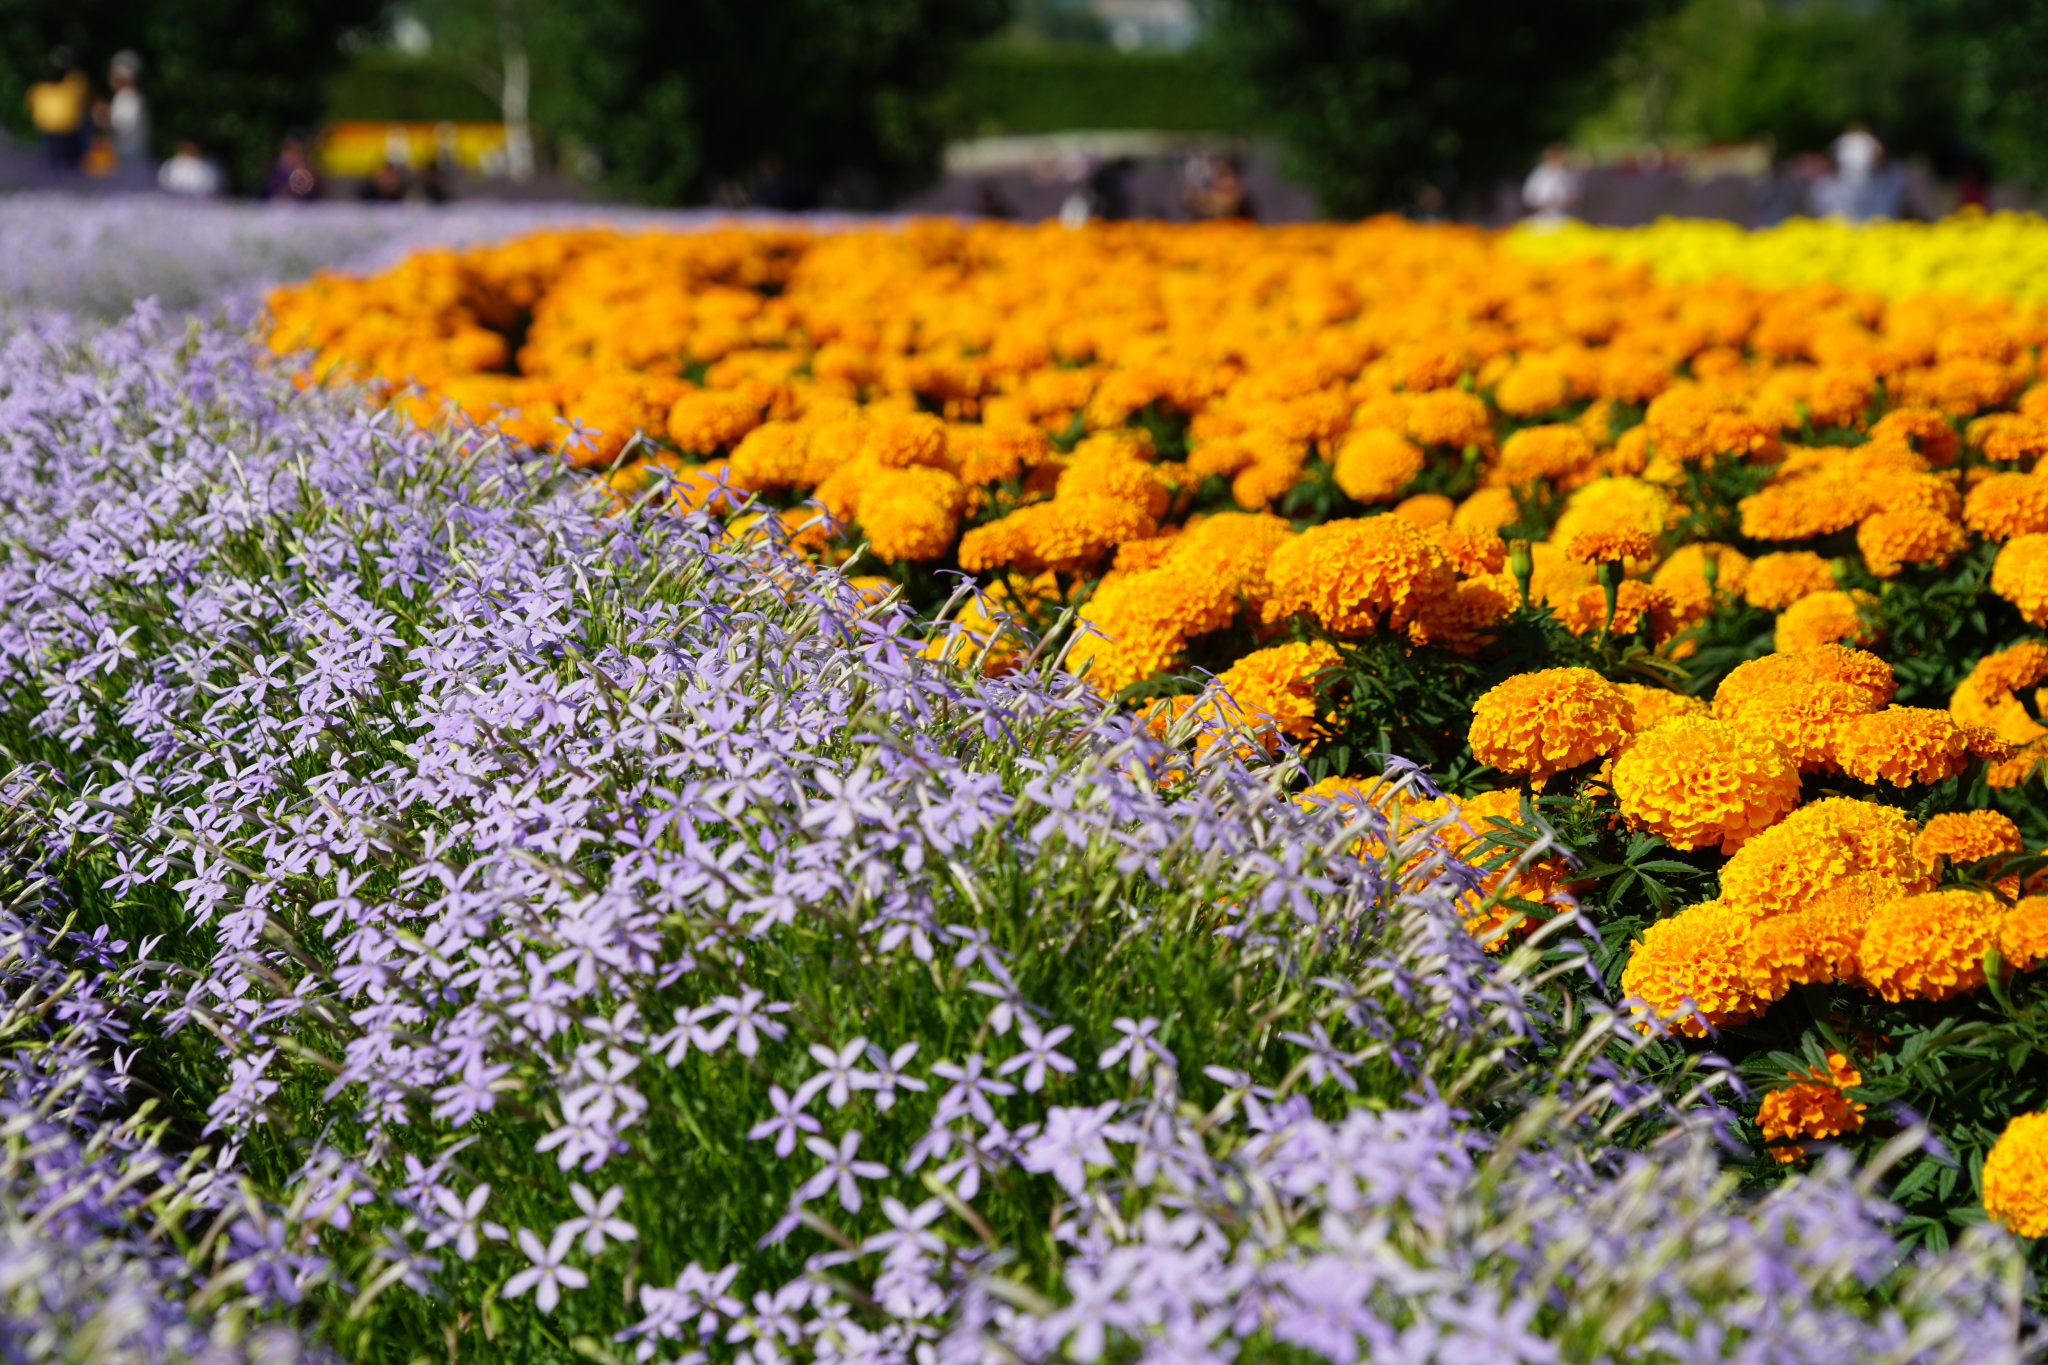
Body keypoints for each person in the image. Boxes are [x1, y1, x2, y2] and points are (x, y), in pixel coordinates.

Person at [26, 49, 90, 171]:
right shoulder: (43, 84)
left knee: (70, 164)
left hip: (68, 130)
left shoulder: (75, 81)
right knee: (53, 164)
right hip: (49, 130)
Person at [108, 51, 149, 165]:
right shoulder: (130, 96)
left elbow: (124, 126)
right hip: (128, 156)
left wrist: (105, 119)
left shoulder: (129, 97)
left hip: (130, 157)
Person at [1522, 143, 1582, 221]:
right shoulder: (1540, 173)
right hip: (1541, 216)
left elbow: (1575, 194)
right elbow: (1529, 195)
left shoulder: (1566, 173)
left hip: (1563, 215)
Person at [266, 134, 321, 202]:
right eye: (287, 152)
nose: (290, 157)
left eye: (295, 153)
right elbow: (272, 190)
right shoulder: (276, 171)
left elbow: (312, 193)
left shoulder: (307, 171)